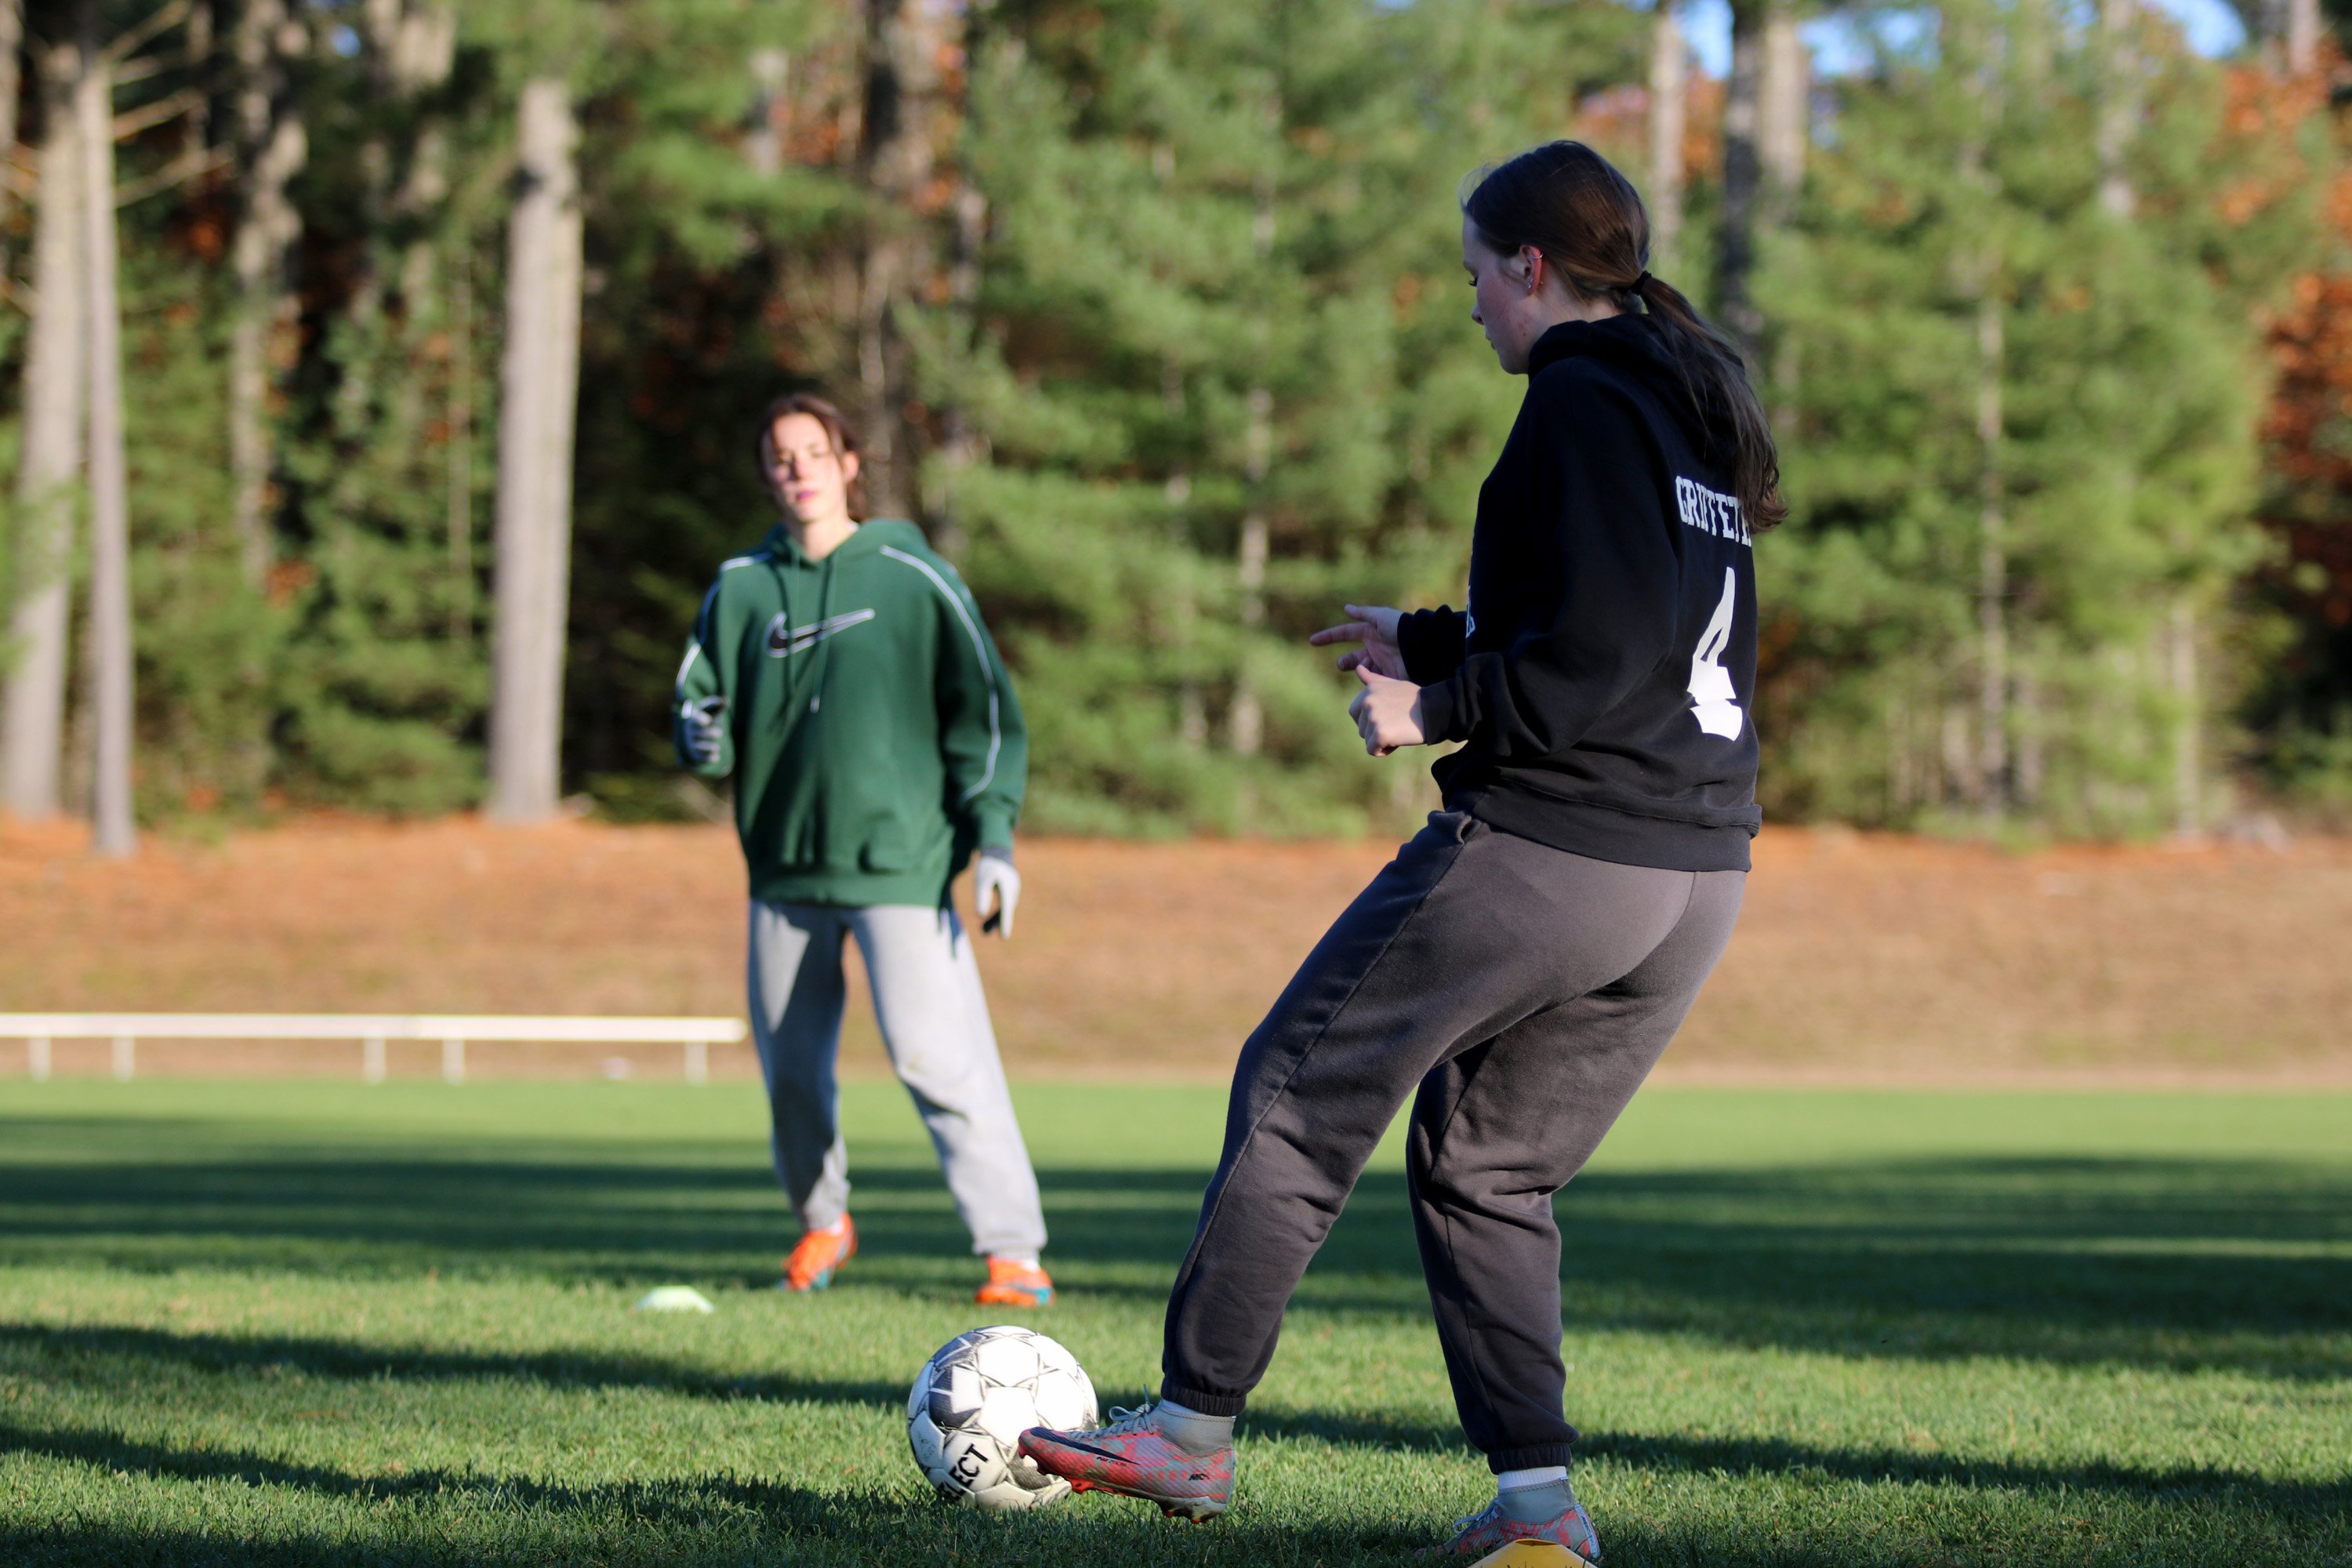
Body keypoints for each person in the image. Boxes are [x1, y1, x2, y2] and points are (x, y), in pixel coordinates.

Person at [1018, 141, 1783, 1560]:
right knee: (1490, 1170)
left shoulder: (1577, 402)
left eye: (1477, 276)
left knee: (1298, 1093)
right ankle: (1540, 1519)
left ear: (1532, 268)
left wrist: (1432, 704)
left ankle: (1185, 1438)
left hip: (1558, 852)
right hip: (1692, 880)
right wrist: (1432, 635)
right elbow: (1634, 633)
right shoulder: (1684, 419)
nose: (1471, 306)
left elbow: (1601, 665)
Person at [673, 391, 1055, 1310]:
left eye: (815, 451)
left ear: (849, 463)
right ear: (767, 473)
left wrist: (993, 838)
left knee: (939, 1057)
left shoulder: (908, 572)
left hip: (903, 867)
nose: (798, 467)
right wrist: (700, 734)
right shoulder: (740, 587)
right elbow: (700, 701)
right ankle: (822, 1219)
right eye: (780, 455)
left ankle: (1013, 1251)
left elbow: (987, 712)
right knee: (792, 1071)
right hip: (783, 874)